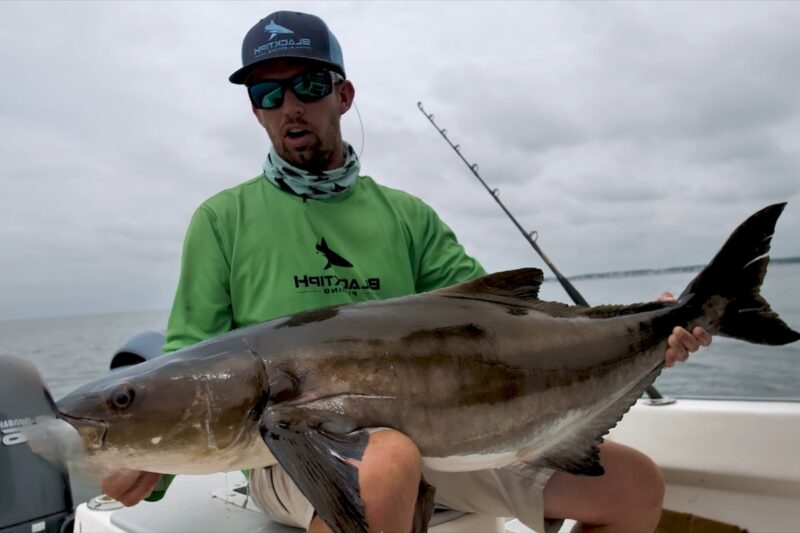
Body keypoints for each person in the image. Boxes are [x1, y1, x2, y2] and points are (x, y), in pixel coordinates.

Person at [101, 10, 712, 533]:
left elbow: (499, 323)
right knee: (386, 461)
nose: (290, 106)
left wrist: (650, 326)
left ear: (343, 95)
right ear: (255, 112)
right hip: (285, 453)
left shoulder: (407, 217)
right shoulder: (222, 220)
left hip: (445, 444)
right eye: (268, 93)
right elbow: (186, 358)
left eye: (309, 84)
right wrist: (149, 470)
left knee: (634, 485)